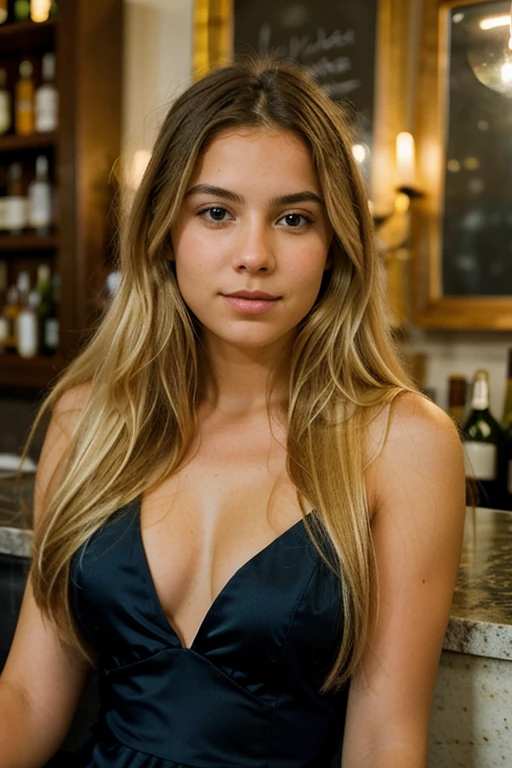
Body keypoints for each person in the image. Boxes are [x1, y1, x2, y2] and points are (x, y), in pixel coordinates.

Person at [0, 56, 465, 768]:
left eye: (293, 217)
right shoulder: (86, 419)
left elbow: (383, 741)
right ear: (165, 231)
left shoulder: (401, 442)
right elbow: (30, 695)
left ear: (335, 242)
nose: (255, 254)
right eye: (217, 212)